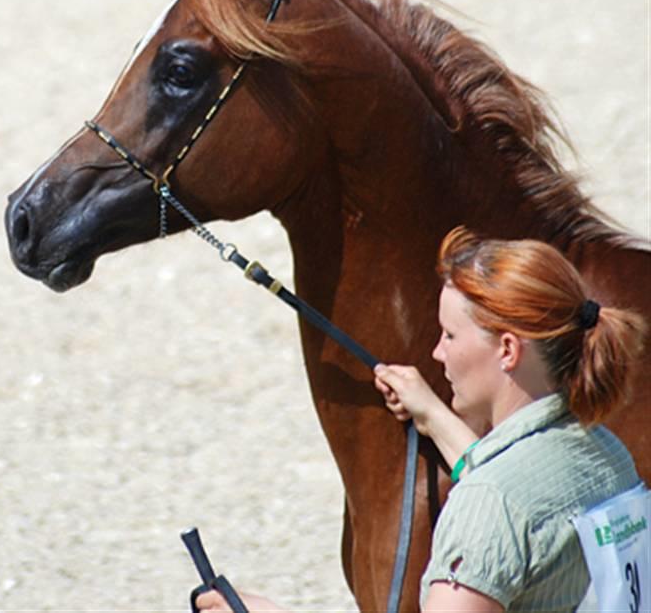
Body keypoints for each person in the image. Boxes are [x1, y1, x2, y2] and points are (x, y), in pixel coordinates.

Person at [197, 226, 647, 613]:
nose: (437, 352)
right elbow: (520, 495)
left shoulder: (491, 507)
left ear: (508, 350)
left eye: (450, 335)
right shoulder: (605, 451)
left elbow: (501, 506)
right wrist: (431, 413)